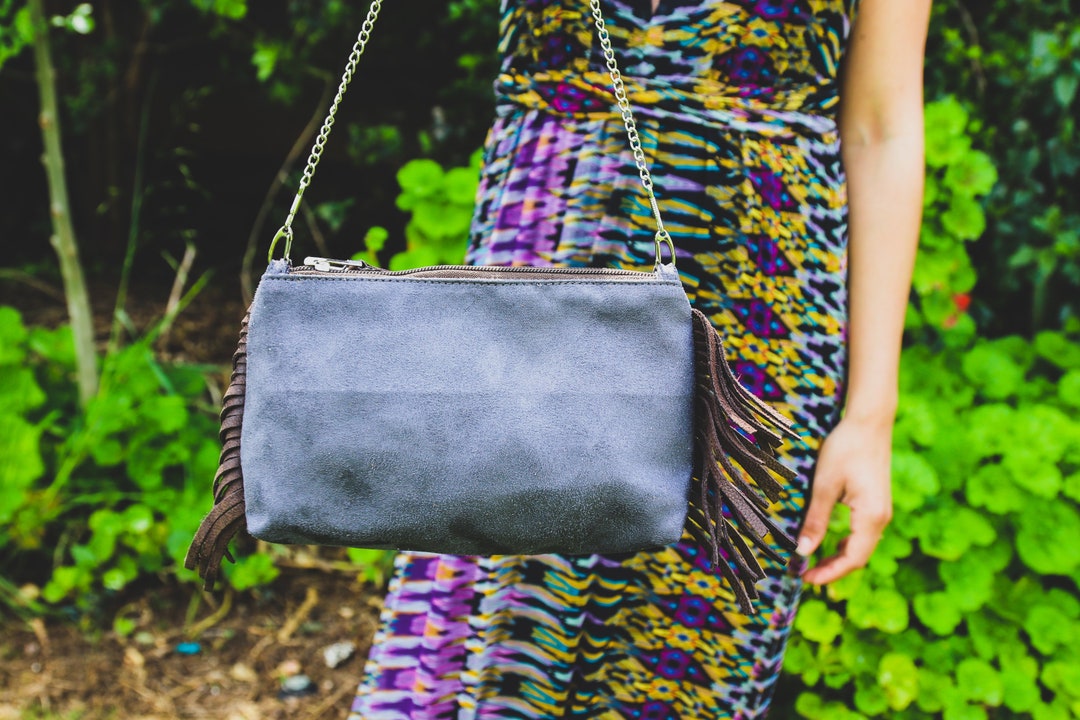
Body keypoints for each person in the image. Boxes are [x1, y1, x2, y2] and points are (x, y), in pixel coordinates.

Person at [350, 0, 930, 717]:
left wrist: (872, 413)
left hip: (752, 318)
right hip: (535, 287)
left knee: (677, 670)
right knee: (488, 645)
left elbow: (883, 126)